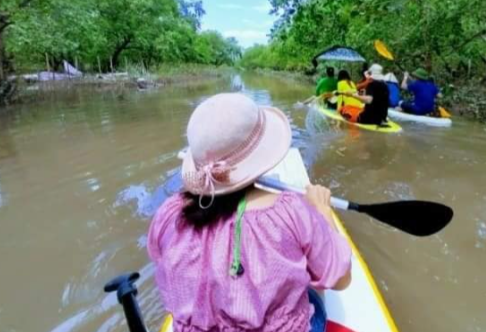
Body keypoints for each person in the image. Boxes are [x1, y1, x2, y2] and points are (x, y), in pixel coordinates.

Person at [148, 94, 352, 332]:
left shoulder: (169, 213)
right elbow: (341, 280)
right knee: (314, 290)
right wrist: (323, 211)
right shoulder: (290, 212)